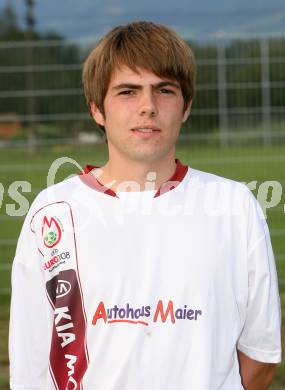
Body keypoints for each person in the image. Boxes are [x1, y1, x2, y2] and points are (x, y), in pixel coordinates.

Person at [9, 21, 281, 390]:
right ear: (96, 110)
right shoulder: (52, 213)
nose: (147, 107)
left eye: (164, 90)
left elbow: (261, 355)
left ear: (186, 107)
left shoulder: (235, 207)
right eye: (127, 91)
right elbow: (31, 364)